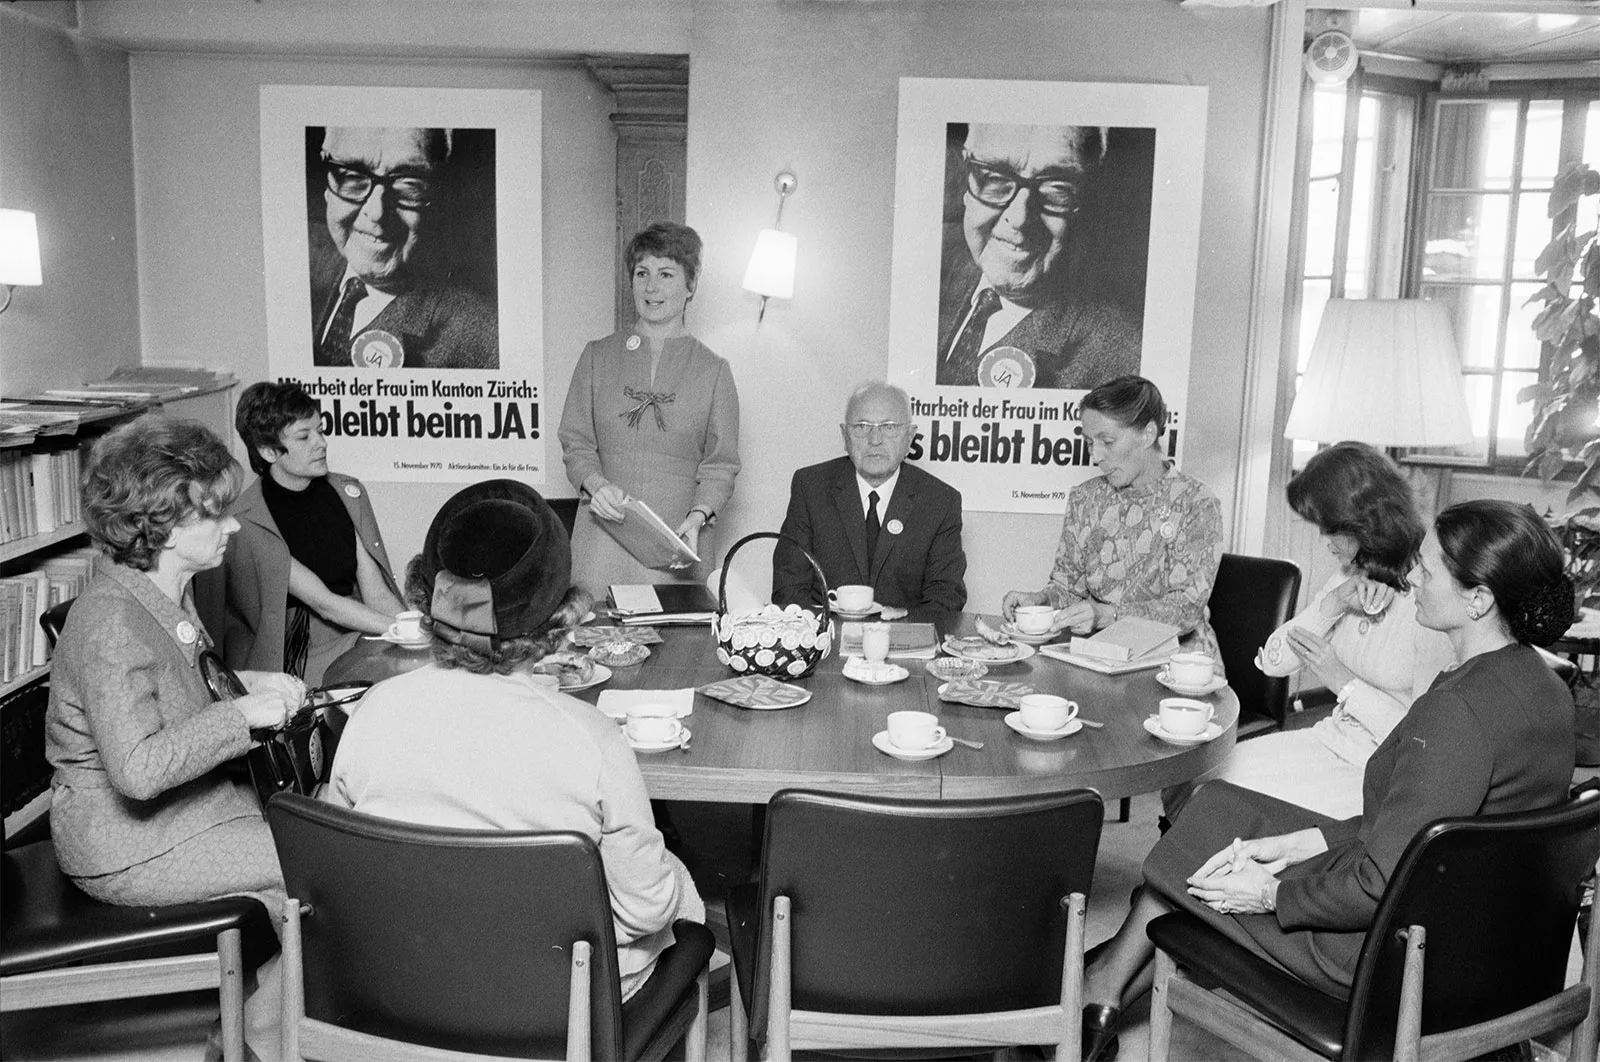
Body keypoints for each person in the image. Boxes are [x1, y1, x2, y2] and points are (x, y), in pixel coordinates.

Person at [1077, 499, 1577, 1062]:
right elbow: (1441, 829)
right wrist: (1303, 841)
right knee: (1213, 807)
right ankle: (1104, 984)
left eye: (1428, 569)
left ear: (1479, 598)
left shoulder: (1458, 711)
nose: (1410, 576)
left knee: (1186, 874)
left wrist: (1270, 893)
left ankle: (1098, 987)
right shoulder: (1544, 686)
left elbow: (1374, 886)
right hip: (1475, 932)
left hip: (1391, 956)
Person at [326, 479, 704, 1000]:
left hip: (401, 986)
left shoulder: (373, 711)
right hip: (546, 1002)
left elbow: (338, 871)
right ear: (556, 620)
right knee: (677, 890)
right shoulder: (592, 739)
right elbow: (644, 910)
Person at [45, 415, 303, 1057]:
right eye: (216, 514)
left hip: (180, 815)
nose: (235, 524)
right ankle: (263, 1039)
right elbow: (136, 768)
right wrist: (244, 716)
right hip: (123, 839)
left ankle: (251, 1032)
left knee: (311, 855)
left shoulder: (160, 594)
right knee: (325, 869)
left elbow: (171, 687)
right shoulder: (109, 621)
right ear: (158, 526)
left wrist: (250, 680)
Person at [1168, 442, 1455, 820]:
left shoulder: (1429, 603)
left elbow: (1423, 739)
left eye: (1328, 528)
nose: (1324, 540)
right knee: (1191, 779)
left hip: (1378, 769)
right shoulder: (1352, 574)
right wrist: (1331, 605)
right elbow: (1273, 662)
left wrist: (1343, 681)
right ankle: (1177, 872)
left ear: (1363, 521)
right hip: (1332, 737)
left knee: (1223, 805)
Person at [558, 221, 740, 599]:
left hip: (677, 541)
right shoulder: (596, 355)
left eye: (666, 274)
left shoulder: (714, 370)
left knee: (675, 652)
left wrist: (698, 516)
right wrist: (595, 483)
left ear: (691, 286)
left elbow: (720, 465)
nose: (651, 287)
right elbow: (575, 441)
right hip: (602, 537)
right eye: (642, 273)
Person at [1001, 375, 1222, 662]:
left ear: (1148, 434)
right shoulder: (1085, 498)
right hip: (1098, 660)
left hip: (1180, 669)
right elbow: (1069, 588)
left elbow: (1185, 610)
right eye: (1089, 442)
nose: (1095, 456)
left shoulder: (1196, 502)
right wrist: (1041, 601)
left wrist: (1109, 615)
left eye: (1107, 440)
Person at [200, 381, 405, 685]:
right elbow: (325, 604)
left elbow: (375, 591)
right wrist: (399, 631)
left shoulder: (346, 493)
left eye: (321, 431)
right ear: (268, 452)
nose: (321, 443)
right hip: (297, 650)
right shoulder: (247, 521)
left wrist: (416, 631)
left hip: (358, 627)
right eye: (304, 436)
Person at [936, 123, 1141, 389]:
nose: (1020, 219)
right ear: (968, 177)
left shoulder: (1122, 362)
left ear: (1091, 201)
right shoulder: (928, 259)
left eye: (1057, 189)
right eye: (995, 178)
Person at [309, 125, 498, 369]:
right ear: (327, 187)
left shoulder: (482, 342)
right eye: (353, 176)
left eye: (409, 184)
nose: (376, 212)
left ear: (441, 198)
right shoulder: (301, 262)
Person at [772, 381, 967, 613]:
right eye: (862, 427)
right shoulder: (810, 487)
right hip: (827, 639)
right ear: (845, 436)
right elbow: (788, 587)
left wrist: (897, 629)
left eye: (889, 427)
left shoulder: (940, 501)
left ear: (910, 437)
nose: (875, 439)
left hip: (903, 642)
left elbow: (946, 598)